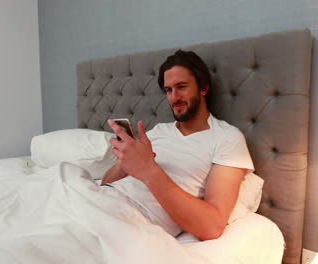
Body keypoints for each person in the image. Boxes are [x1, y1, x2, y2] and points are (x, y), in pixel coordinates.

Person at [101, 50, 254, 241]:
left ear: (203, 87)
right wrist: (124, 161)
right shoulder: (158, 131)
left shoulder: (227, 138)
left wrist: (149, 170)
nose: (174, 97)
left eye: (181, 87)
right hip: (102, 199)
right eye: (168, 90)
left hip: (131, 218)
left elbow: (213, 226)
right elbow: (104, 184)